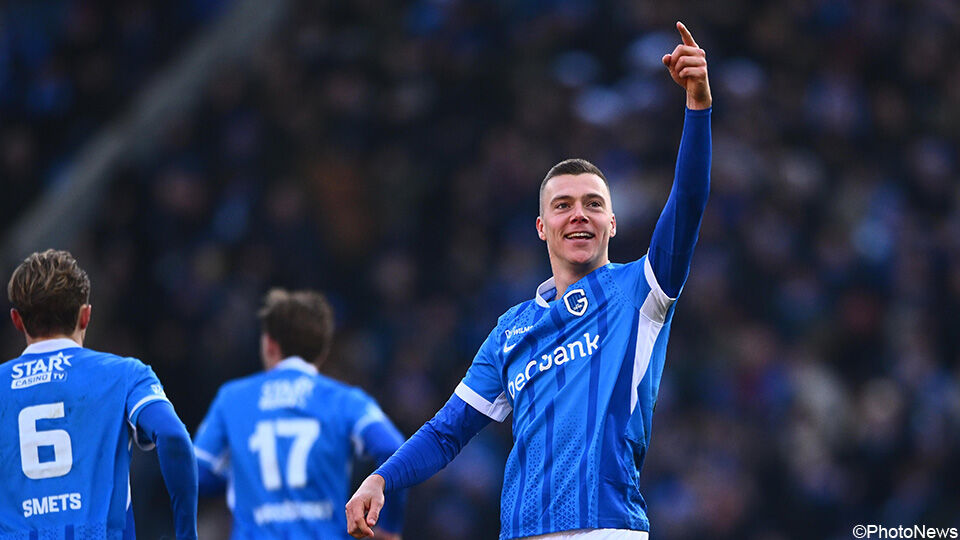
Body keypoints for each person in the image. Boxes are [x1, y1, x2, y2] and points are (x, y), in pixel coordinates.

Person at [346, 21, 712, 540]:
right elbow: (447, 432)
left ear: (612, 223)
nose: (578, 214)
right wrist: (381, 478)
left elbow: (689, 202)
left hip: (606, 527)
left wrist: (698, 106)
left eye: (593, 204)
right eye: (563, 205)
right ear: (542, 227)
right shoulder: (510, 330)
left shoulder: (640, 292)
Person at [0, 249, 198, 539]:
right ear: (86, 315)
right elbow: (173, 436)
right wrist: (186, 534)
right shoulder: (124, 374)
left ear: (17, 320)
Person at [193, 288, 406, 539]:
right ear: (323, 350)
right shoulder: (346, 400)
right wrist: (389, 527)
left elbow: (196, 472)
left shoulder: (232, 399)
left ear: (270, 345)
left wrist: (244, 472)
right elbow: (392, 448)